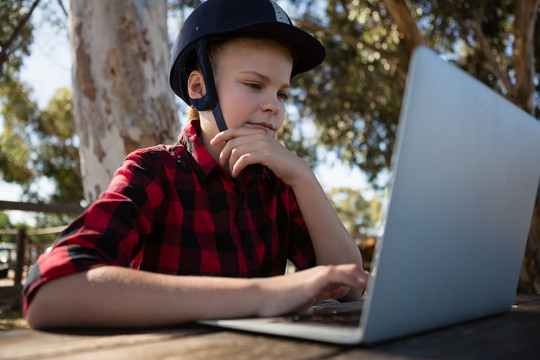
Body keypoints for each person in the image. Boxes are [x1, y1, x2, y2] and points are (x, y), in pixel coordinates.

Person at [23, 0, 368, 329]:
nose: (274, 107)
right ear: (199, 87)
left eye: (282, 94)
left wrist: (305, 178)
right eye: (254, 84)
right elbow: (51, 290)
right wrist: (261, 297)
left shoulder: (280, 186)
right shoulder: (153, 172)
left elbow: (350, 286)